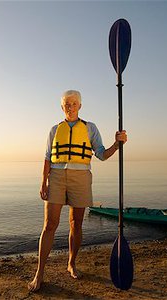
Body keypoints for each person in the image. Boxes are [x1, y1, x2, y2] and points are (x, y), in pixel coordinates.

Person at [28, 90, 128, 292]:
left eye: (74, 103)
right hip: (56, 176)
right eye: (66, 104)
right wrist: (43, 182)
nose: (70, 107)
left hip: (81, 178)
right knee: (49, 224)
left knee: (76, 223)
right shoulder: (55, 129)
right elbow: (48, 157)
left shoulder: (90, 128)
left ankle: (71, 263)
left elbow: (101, 154)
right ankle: (39, 272)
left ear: (80, 106)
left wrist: (117, 144)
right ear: (62, 107)